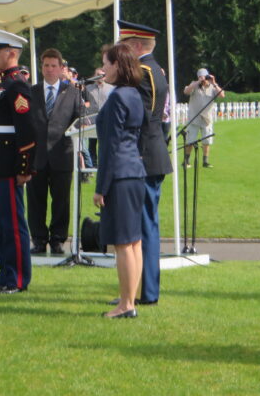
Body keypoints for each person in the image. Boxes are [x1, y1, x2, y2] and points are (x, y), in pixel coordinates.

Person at [117, 20, 173, 306]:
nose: (121, 51)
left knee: (145, 226)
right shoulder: (151, 69)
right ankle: (141, 288)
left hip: (145, 157)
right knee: (144, 224)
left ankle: (146, 291)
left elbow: (140, 118)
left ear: (137, 46)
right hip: (151, 154)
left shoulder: (144, 71)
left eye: (124, 45)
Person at [94, 43, 146, 319]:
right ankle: (131, 298)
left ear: (119, 66)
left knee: (124, 243)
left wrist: (101, 187)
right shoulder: (134, 94)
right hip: (135, 170)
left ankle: (126, 304)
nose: (104, 69)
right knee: (134, 241)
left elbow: (110, 147)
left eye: (107, 63)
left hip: (121, 174)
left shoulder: (116, 98)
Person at [0, 29, 35, 294]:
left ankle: (17, 279)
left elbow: (27, 130)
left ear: (11, 53)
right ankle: (6, 275)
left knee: (14, 224)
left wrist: (24, 167)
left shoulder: (18, 85)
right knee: (2, 222)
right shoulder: (4, 84)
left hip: (10, 163)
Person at [27, 48, 83, 255]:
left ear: (61, 68)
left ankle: (58, 239)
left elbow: (81, 120)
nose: (50, 70)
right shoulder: (31, 92)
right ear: (41, 68)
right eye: (46, 66)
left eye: (53, 66)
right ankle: (39, 240)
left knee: (61, 201)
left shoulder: (72, 92)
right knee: (35, 201)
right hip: (37, 155)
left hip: (62, 154)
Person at [183, 68, 225, 168]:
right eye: (201, 77)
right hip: (194, 118)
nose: (203, 80)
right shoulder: (194, 85)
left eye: (205, 77)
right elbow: (186, 91)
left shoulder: (211, 87)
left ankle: (205, 161)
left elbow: (222, 95)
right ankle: (186, 160)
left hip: (206, 119)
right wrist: (198, 81)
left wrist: (214, 83)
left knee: (206, 141)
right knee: (190, 140)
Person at [86, 67, 114, 167]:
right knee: (92, 144)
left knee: (105, 144)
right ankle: (93, 164)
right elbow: (85, 103)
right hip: (93, 120)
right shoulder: (88, 89)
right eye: (97, 74)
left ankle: (105, 163)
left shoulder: (111, 88)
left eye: (101, 75)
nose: (99, 77)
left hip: (107, 120)